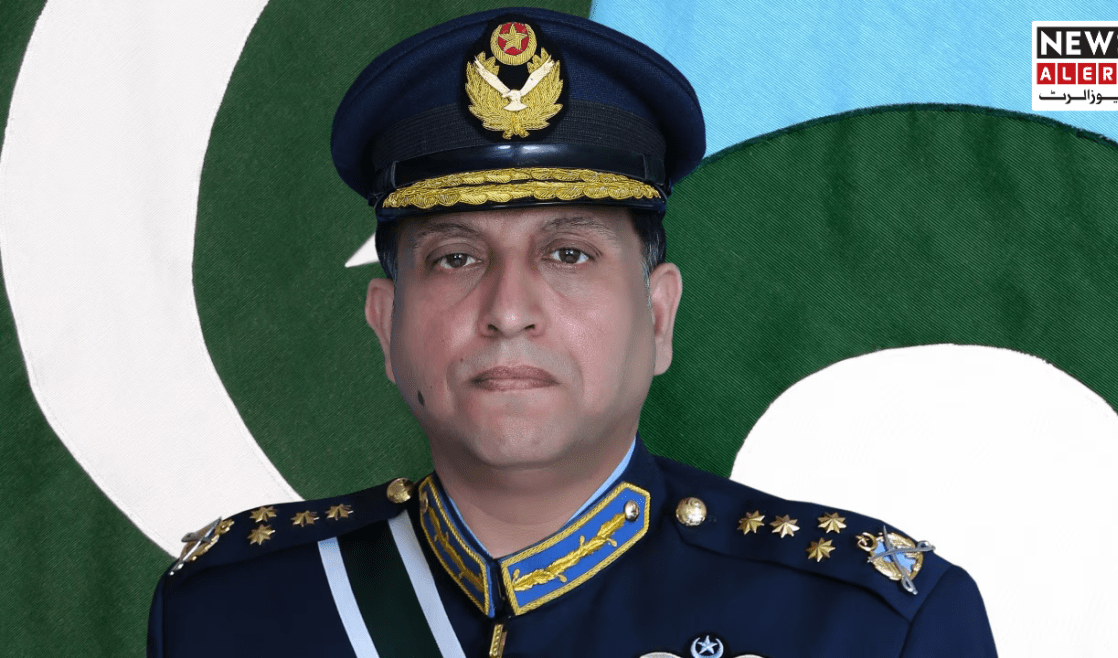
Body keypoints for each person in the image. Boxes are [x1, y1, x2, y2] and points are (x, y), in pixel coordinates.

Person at [148, 8, 997, 657]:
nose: (509, 308)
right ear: (386, 324)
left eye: (568, 252)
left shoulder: (867, 627)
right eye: (453, 258)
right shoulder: (229, 612)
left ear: (659, 316)